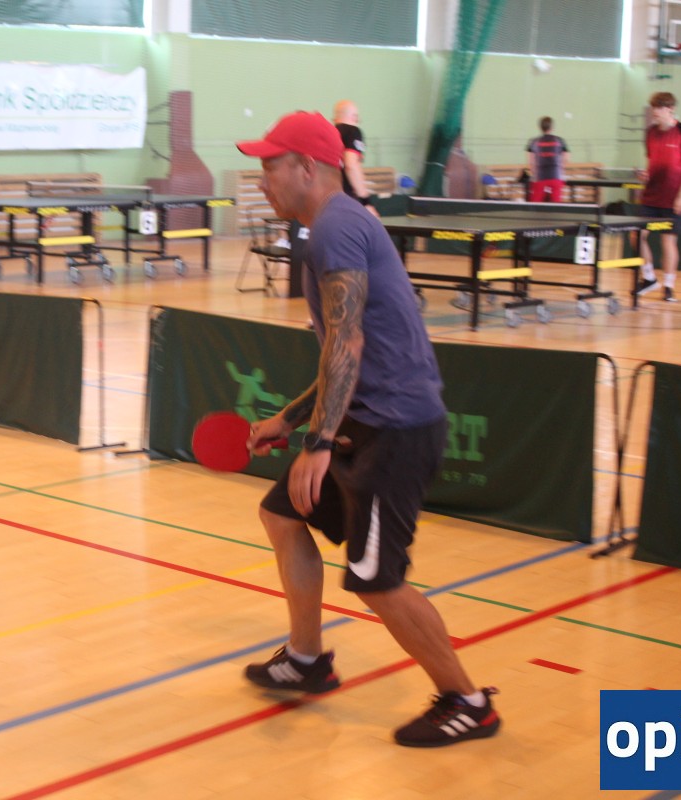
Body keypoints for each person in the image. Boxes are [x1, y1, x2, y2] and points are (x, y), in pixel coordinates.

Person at [235, 110, 499, 748]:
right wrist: (290, 418)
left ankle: (468, 702)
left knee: (377, 577)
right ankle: (307, 659)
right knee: (282, 515)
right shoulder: (332, 226)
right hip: (364, 416)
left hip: (397, 428)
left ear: (307, 167)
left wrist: (318, 443)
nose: (262, 179)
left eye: (270, 166)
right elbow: (347, 350)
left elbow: (347, 342)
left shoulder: (335, 228)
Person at [635, 92, 681, 303]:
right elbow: (652, 160)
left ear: (670, 109)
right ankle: (649, 278)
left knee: (668, 240)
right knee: (637, 235)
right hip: (651, 196)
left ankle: (669, 286)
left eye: (660, 108)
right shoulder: (650, 132)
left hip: (672, 197)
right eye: (654, 107)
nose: (656, 111)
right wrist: (646, 174)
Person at [332, 100, 378, 217]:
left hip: (328, 198)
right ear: (354, 117)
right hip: (346, 199)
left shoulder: (330, 133)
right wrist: (366, 202)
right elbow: (351, 165)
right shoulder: (353, 132)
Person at [525, 116, 568, 202]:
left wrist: (534, 173)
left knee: (536, 204)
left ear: (540, 127)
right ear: (552, 127)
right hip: (556, 176)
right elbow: (566, 158)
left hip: (540, 177)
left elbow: (531, 161)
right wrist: (561, 169)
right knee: (556, 205)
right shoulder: (560, 141)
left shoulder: (533, 141)